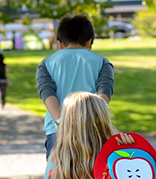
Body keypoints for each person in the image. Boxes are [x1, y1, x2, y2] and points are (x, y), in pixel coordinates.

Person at [36, 14, 114, 159]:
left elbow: (47, 94)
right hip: (92, 130)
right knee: (93, 176)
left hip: (57, 130)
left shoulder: (46, 64)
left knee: (58, 177)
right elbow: (104, 94)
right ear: (89, 41)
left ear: (60, 43)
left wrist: (61, 121)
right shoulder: (103, 63)